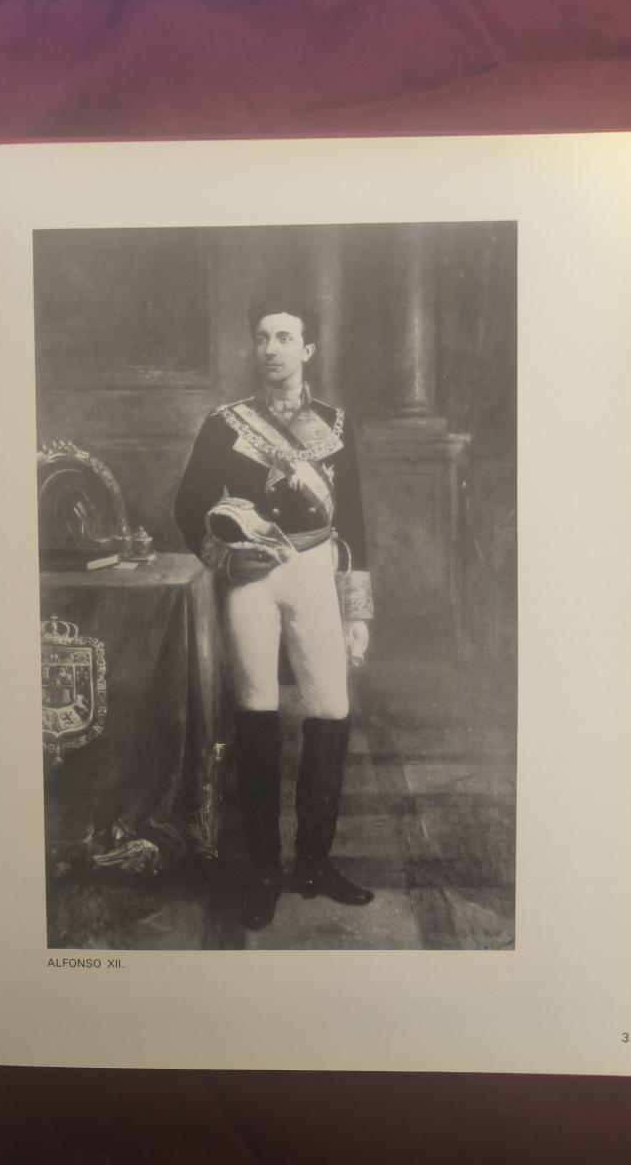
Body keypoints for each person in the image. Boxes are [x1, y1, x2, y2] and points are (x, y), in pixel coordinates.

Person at [174, 296, 375, 929]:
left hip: (316, 572)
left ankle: (314, 863)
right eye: (262, 337)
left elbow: (354, 520)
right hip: (251, 581)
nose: (271, 349)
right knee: (256, 712)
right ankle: (264, 872)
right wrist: (227, 560)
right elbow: (187, 507)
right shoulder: (224, 424)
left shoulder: (336, 424)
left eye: (285, 337)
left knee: (330, 710)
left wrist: (356, 610)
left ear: (307, 349)